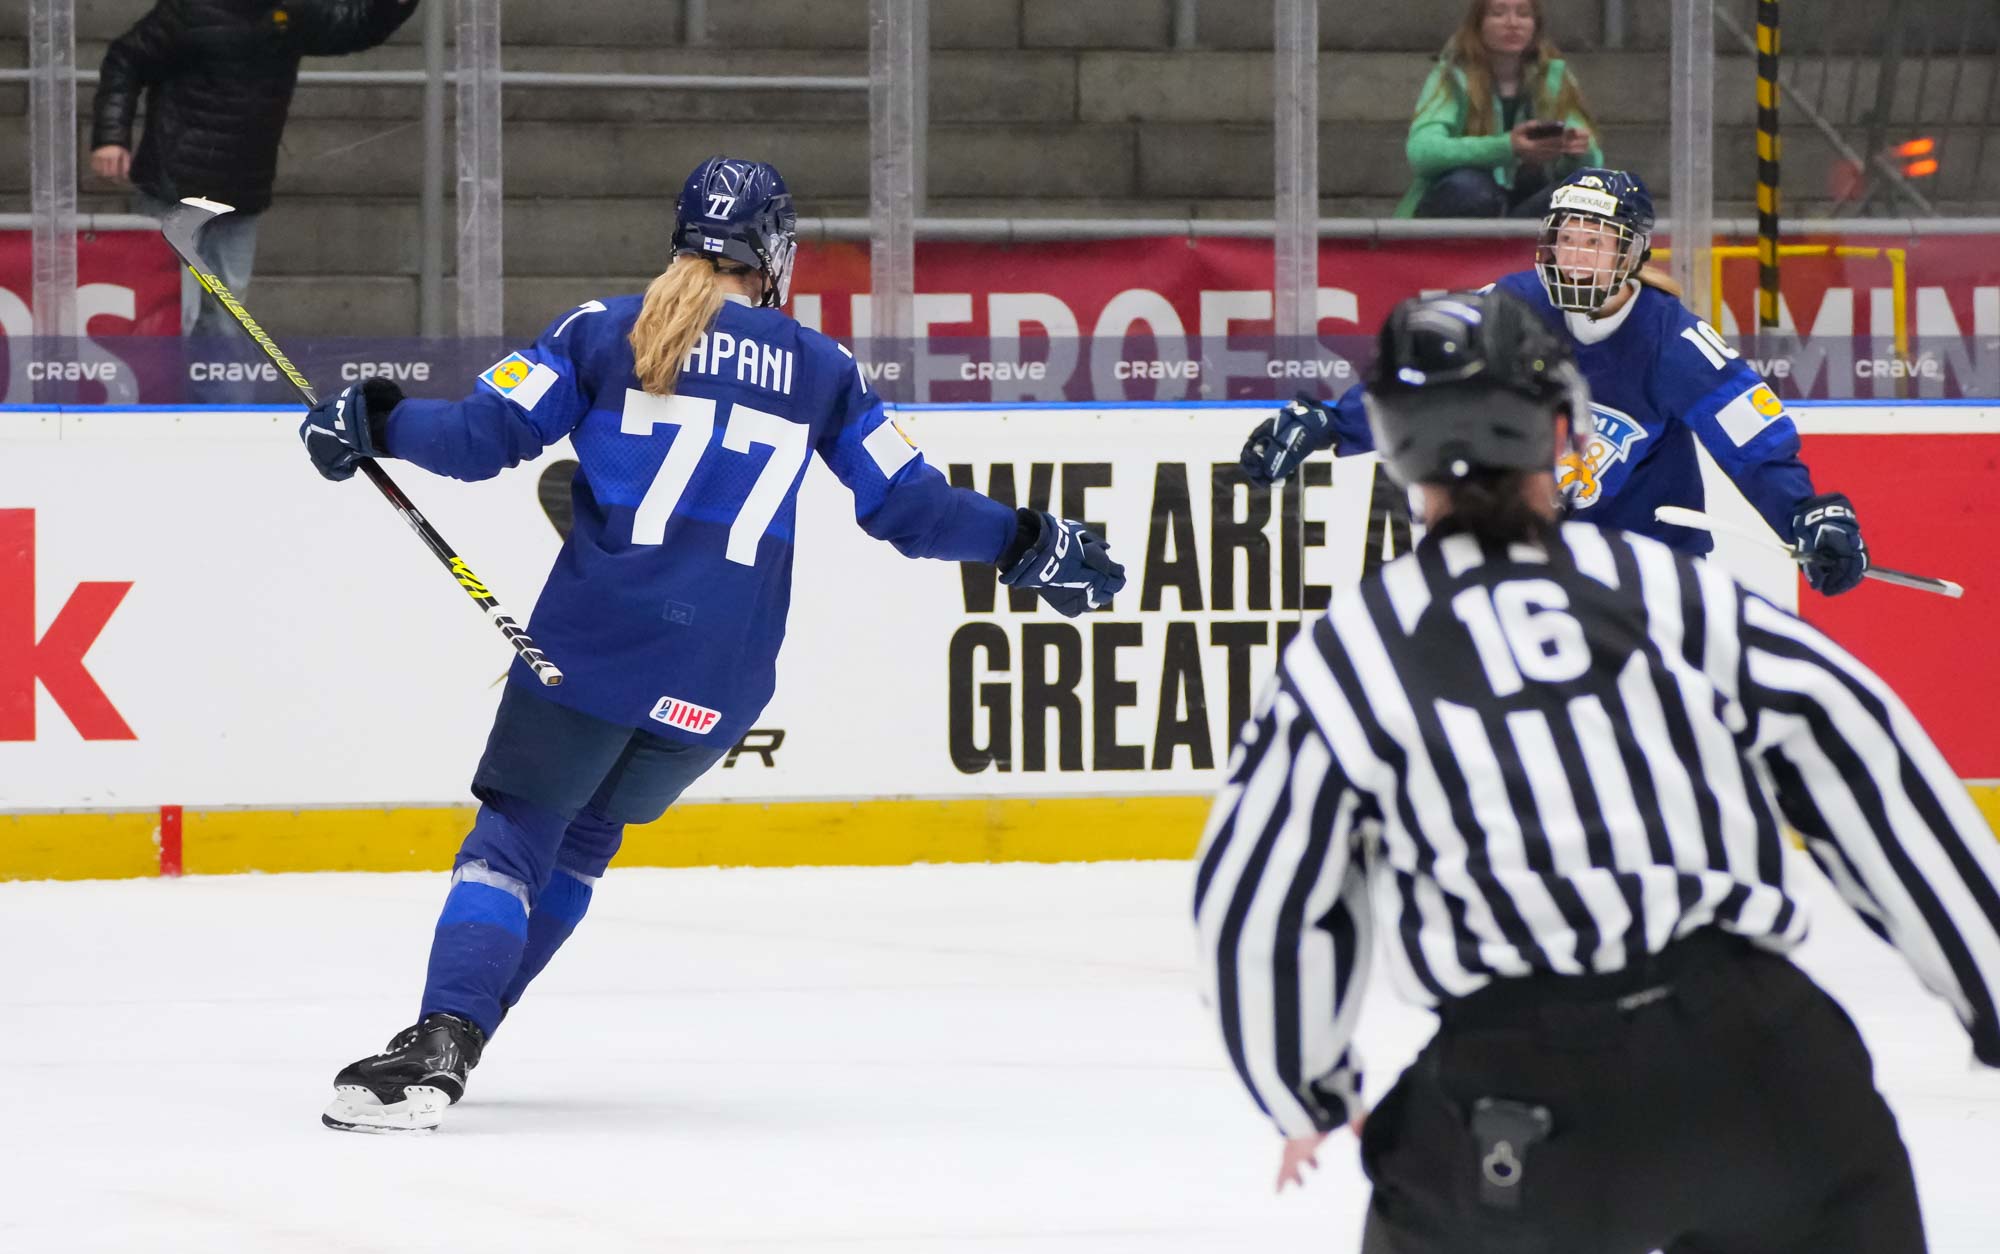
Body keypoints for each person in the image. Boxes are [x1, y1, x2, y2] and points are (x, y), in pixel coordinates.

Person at [304, 156, 1128, 1133]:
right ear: (774, 254)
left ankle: (445, 1036)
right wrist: (1027, 541)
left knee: (514, 841)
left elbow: (478, 440)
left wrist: (374, 419)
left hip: (594, 650)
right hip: (721, 685)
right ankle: (466, 1032)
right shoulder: (822, 368)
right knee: (585, 841)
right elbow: (911, 510)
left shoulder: (603, 329)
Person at [1196, 288, 2000, 1253]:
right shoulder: (1676, 594)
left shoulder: (1351, 653)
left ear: (1397, 451)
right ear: (1565, 432)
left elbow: (1256, 907)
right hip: (1762, 1072)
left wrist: (1305, 1090)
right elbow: (1870, 767)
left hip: (1514, 1105)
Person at [1243, 166, 1871, 597]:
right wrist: (1330, 423)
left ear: (1633, 253)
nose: (1575, 256)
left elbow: (1755, 444)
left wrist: (1805, 515)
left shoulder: (1672, 343)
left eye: (1595, 242)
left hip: (1650, 577)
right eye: (1566, 239)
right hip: (1539, 566)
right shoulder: (1512, 308)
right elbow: (1432, 378)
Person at [88, 0, 417, 338]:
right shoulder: (190, 9)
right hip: (176, 187)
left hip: (239, 190)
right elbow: (126, 59)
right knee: (170, 315)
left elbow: (354, 27)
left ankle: (211, 375)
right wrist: (110, 138)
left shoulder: (292, 12)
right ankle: (169, 376)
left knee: (226, 321)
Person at [1397, 0, 1602, 219]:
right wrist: (1507, 147)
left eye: (1523, 14)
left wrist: (1578, 151)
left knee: (1578, 196)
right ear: (1478, 24)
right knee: (1470, 188)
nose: (1512, 23)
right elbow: (1423, 151)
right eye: (1498, 13)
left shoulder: (1554, 76)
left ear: (1535, 25)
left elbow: (1592, 163)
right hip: (1465, 203)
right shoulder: (1452, 76)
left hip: (1527, 202)